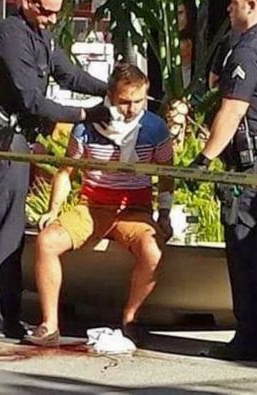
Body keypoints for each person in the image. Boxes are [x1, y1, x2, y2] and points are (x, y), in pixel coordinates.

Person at [0, 0, 110, 339]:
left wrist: (110, 90)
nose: (52, 19)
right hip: (4, 143)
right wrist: (85, 115)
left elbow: (68, 75)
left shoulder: (42, 35)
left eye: (56, 12)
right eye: (46, 11)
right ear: (26, 0)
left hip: (14, 141)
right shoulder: (10, 36)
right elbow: (31, 100)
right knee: (4, 232)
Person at [23, 63, 174, 347]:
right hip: (92, 207)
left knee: (152, 251)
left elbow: (167, 175)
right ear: (110, 97)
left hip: (134, 210)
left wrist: (164, 213)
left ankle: (130, 320)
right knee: (47, 241)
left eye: (138, 102)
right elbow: (66, 172)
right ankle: (49, 324)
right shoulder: (86, 126)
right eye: (124, 102)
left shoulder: (155, 128)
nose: (131, 109)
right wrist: (54, 210)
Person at [189, 0, 257, 361]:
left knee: (246, 248)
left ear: (251, 5)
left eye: (233, 4)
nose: (229, 9)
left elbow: (233, 109)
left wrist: (204, 159)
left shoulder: (247, 50)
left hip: (251, 163)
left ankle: (252, 339)